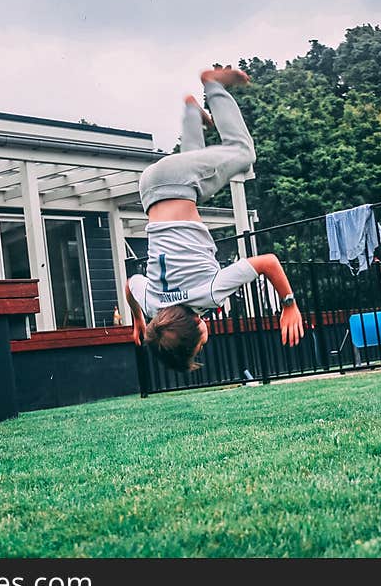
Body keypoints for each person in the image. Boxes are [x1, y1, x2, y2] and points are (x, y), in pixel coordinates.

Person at [125, 65, 304, 372]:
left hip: (176, 181)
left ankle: (213, 85)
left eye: (200, 343)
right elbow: (130, 285)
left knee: (243, 153)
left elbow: (268, 262)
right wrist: (139, 320)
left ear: (197, 326)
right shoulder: (154, 304)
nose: (206, 340)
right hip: (151, 189)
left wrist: (289, 304)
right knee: (201, 174)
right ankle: (193, 112)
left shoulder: (210, 293)